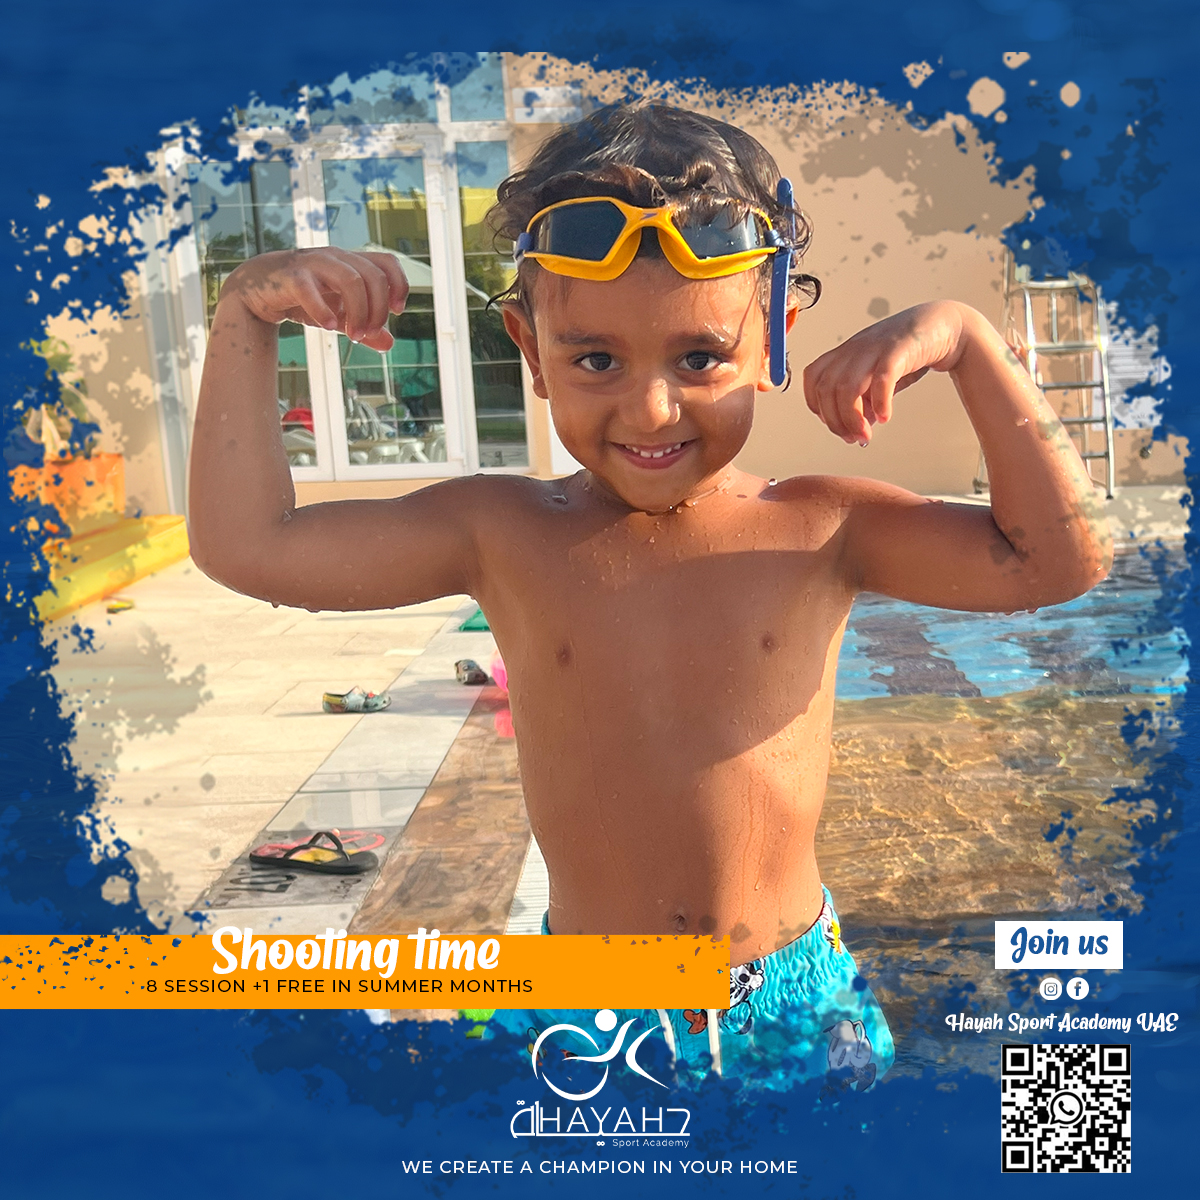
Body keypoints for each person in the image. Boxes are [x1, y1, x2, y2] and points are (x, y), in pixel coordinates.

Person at [188, 102, 1111, 1089]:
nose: (652, 407)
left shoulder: (823, 526)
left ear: (775, 338)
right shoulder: (501, 533)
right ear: (530, 350)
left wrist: (971, 344)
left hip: (795, 999)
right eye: (596, 359)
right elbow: (251, 548)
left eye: (700, 357)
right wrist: (245, 315)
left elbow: (1060, 560)